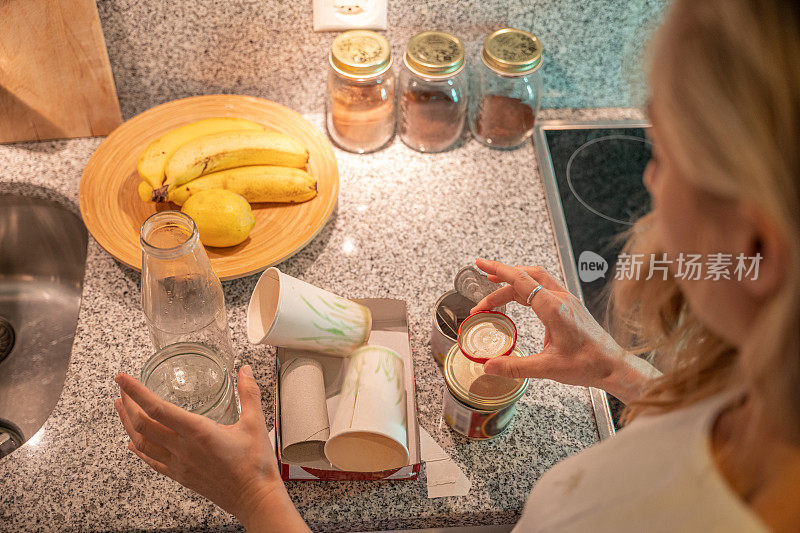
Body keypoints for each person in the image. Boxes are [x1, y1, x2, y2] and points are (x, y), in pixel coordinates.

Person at [114, 0, 800, 530]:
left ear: (758, 249)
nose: (649, 178)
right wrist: (618, 372)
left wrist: (255, 495)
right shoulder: (760, 399)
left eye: (666, 150)